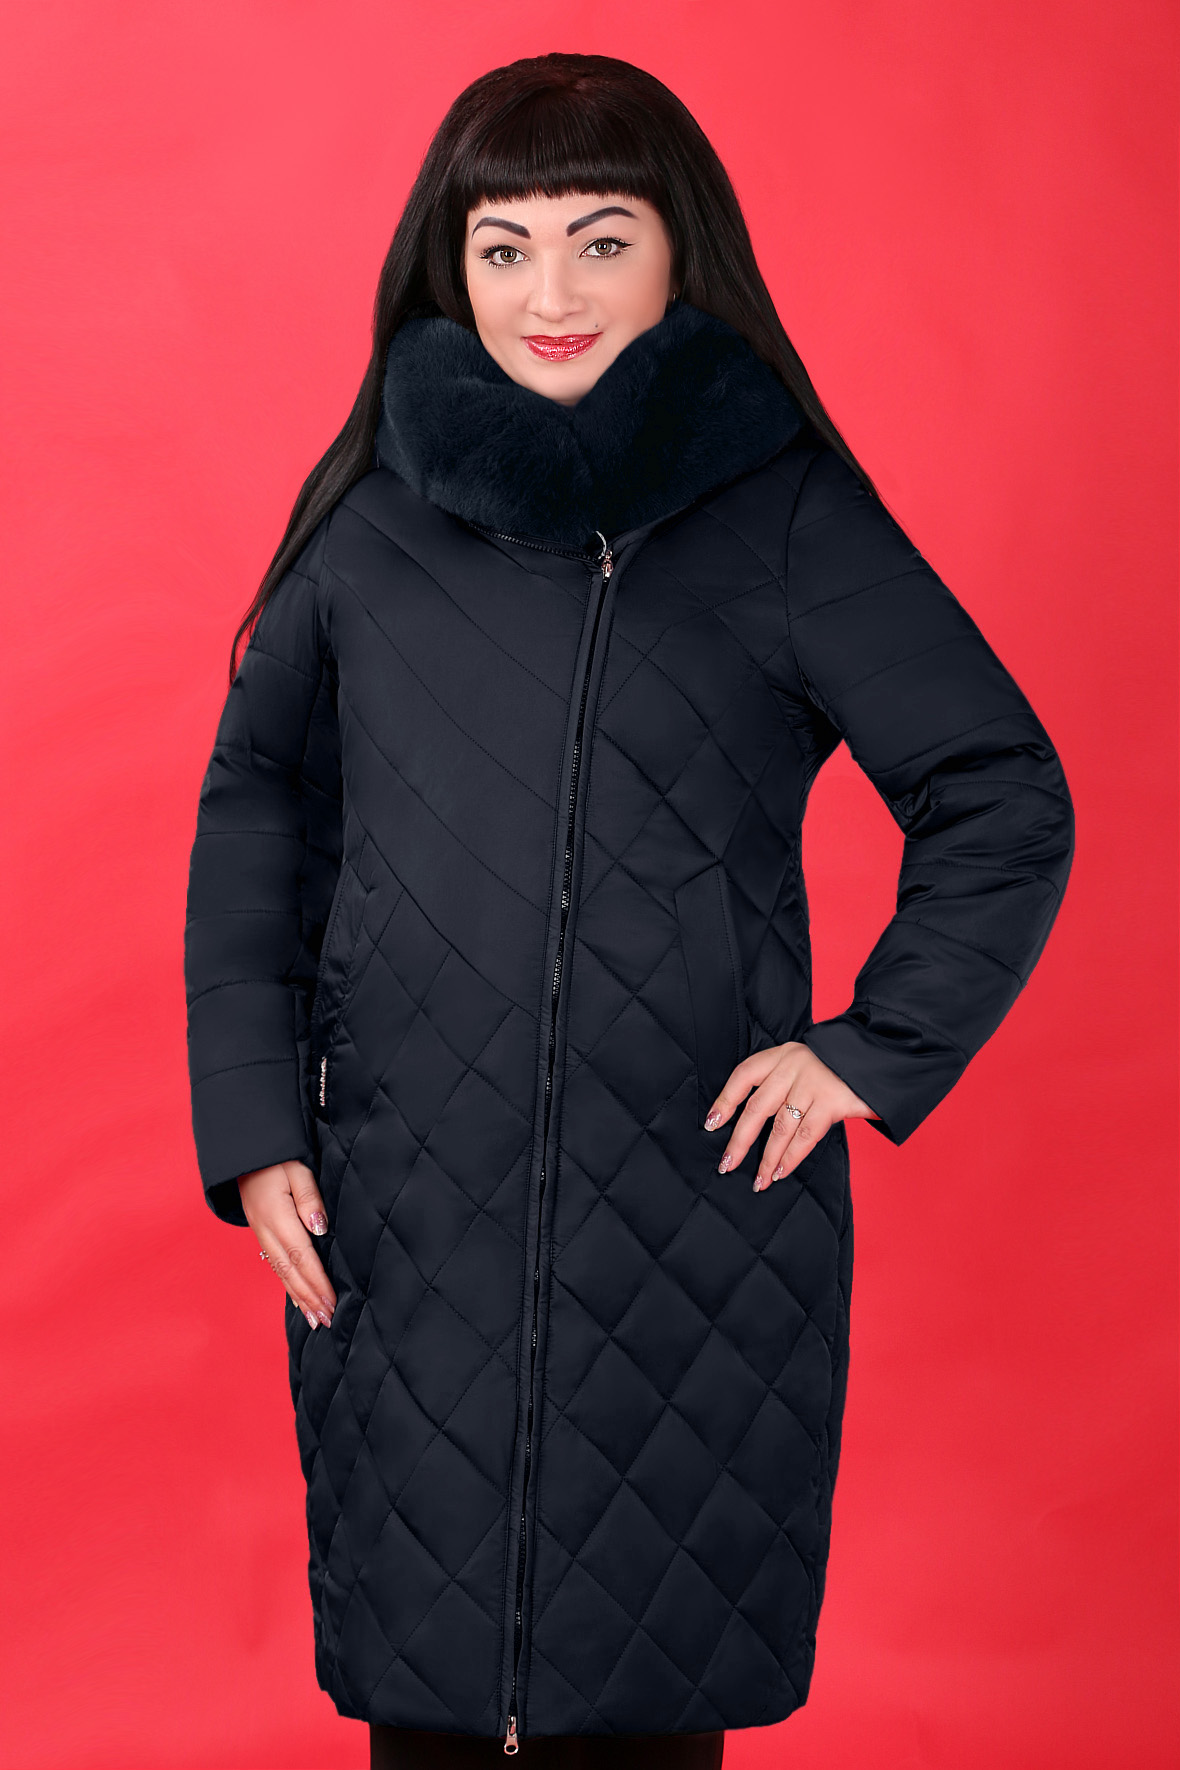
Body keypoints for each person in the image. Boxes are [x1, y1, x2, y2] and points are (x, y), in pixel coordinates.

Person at [183, 51, 1075, 1770]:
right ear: (448, 263)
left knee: (649, 1695)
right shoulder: (373, 524)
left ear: (681, 252)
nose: (553, 294)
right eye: (504, 246)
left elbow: (998, 788)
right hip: (408, 1211)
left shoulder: (781, 511)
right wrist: (253, 1122)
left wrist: (870, 1049)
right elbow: (260, 812)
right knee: (426, 1689)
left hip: (690, 1223)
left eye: (602, 239)